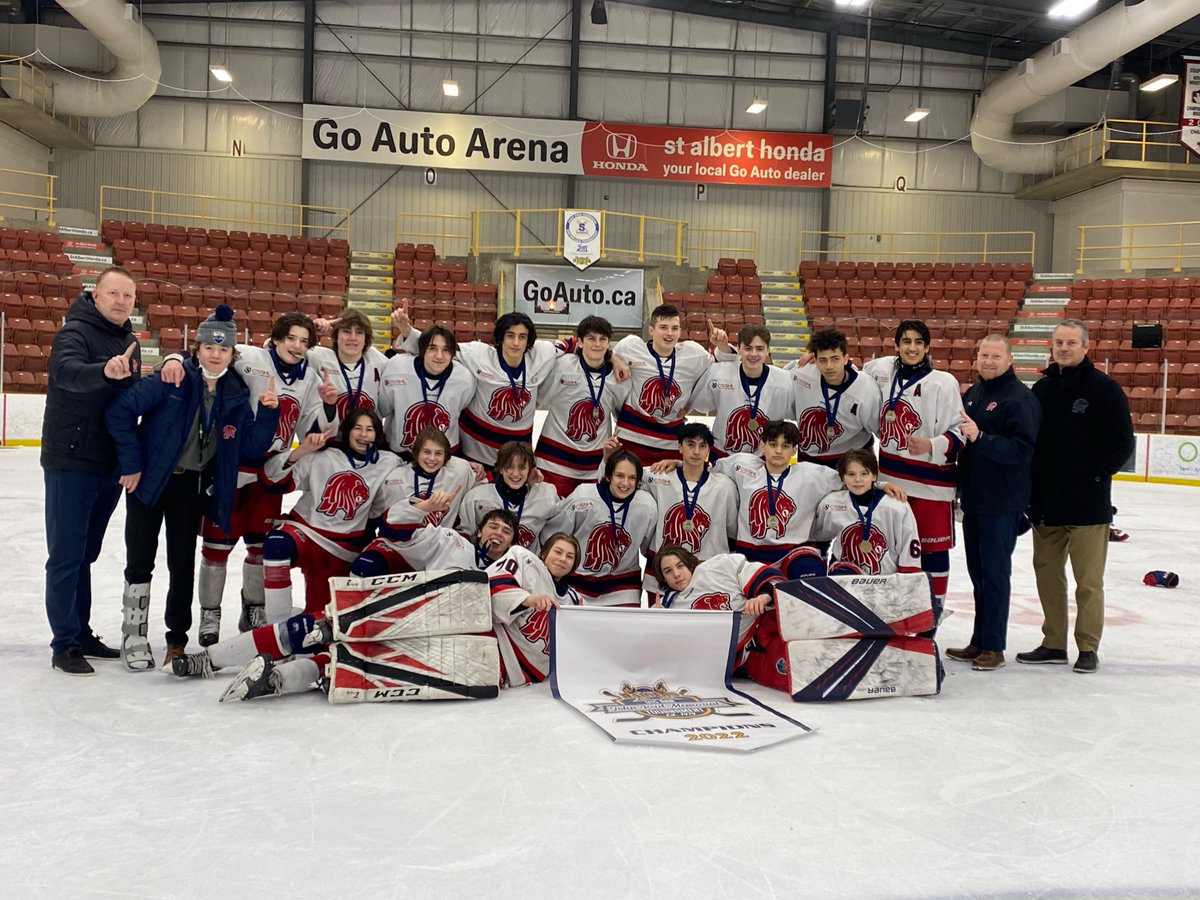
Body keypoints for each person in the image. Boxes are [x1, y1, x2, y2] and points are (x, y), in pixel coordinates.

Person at [105, 305, 280, 670]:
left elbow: (248, 447)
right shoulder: (172, 377)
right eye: (209, 348)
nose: (216, 355)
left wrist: (267, 413)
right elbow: (119, 411)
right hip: (149, 481)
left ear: (233, 355)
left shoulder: (235, 391)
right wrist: (131, 463)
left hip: (190, 487)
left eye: (224, 350)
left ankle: (176, 640)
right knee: (140, 560)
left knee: (182, 564)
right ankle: (134, 634)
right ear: (197, 348)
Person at [162, 311, 324, 637]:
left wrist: (328, 413)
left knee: (260, 547)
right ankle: (210, 616)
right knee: (216, 546)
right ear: (276, 338)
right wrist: (173, 357)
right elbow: (209, 357)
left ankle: (253, 610)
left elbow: (312, 426)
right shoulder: (250, 356)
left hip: (269, 473)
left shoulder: (311, 379)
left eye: (304, 342)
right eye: (291, 338)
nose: (296, 346)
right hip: (229, 467)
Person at [41, 266, 142, 675]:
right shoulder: (74, 333)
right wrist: (104, 371)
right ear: (96, 295)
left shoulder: (129, 340)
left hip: (107, 465)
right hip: (70, 460)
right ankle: (64, 642)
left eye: (128, 296)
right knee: (65, 555)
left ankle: (80, 632)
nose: (121, 301)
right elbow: (66, 373)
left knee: (86, 554)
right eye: (113, 293)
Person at [1019, 319, 1134, 674]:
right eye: (1059, 343)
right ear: (1051, 347)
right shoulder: (1041, 390)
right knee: (1048, 578)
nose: (1064, 348)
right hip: (1046, 507)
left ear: (1086, 347)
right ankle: (1054, 643)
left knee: (1088, 583)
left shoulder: (1104, 389)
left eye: (1071, 343)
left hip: (1088, 507)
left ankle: (1087, 647)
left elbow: (1121, 443)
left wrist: (1095, 475)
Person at [946, 336, 1042, 672]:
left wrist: (981, 437)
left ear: (1009, 358)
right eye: (984, 354)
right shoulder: (973, 393)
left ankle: (994, 646)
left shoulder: (1019, 398)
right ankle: (979, 640)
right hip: (974, 500)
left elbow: (1022, 451)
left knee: (996, 575)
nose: (988, 361)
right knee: (979, 575)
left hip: (1002, 502)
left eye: (995, 355)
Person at [259, 408, 400, 623]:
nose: (363, 435)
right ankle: (274, 626)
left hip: (344, 548)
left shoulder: (389, 462)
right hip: (306, 531)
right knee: (277, 543)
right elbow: (271, 479)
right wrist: (301, 450)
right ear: (347, 431)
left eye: (370, 430)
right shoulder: (323, 456)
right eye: (358, 428)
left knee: (322, 620)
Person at [863, 319, 964, 609]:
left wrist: (932, 445)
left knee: (933, 552)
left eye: (918, 342)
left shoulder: (944, 383)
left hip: (931, 488)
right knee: (894, 549)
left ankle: (933, 612)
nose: (912, 347)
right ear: (896, 345)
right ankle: (896, 613)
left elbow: (960, 432)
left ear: (927, 347)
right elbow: (846, 373)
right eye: (906, 341)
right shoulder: (881, 370)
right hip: (892, 482)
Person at [542, 449, 657, 607]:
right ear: (608, 475)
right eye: (619, 476)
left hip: (622, 583)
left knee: (623, 630)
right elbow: (555, 535)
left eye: (632, 478)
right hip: (577, 580)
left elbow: (647, 546)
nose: (625, 483)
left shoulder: (646, 505)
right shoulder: (584, 496)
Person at [534, 315, 630, 497]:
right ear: (580, 342)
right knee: (551, 516)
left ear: (609, 343)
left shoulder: (619, 378)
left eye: (603, 339)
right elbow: (536, 397)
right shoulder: (562, 366)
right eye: (591, 339)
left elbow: (621, 416)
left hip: (594, 467)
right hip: (554, 462)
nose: (597, 344)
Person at [455, 312, 566, 469]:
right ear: (501, 337)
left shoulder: (542, 354)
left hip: (516, 461)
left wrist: (612, 358)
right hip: (475, 457)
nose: (516, 343)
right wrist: (407, 333)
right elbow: (437, 348)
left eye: (522, 337)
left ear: (528, 341)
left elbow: (574, 343)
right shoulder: (479, 354)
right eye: (510, 336)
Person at [611, 304, 715, 465]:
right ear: (651, 330)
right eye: (663, 327)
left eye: (674, 328)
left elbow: (718, 373)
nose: (669, 333)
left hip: (672, 442)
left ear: (680, 331)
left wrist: (691, 405)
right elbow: (601, 353)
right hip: (631, 437)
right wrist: (613, 358)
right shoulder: (630, 347)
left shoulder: (694, 355)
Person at [639, 422, 737, 593]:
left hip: (707, 574)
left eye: (702, 446)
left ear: (709, 450)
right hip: (664, 573)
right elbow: (622, 481)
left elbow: (732, 532)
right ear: (680, 446)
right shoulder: (657, 478)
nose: (697, 451)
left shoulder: (725, 487)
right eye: (690, 444)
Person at [652, 544, 783, 666]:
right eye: (668, 571)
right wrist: (656, 623)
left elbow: (765, 575)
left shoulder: (717, 567)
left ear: (689, 564)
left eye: (680, 566)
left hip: (763, 631)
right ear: (662, 577)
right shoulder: (666, 606)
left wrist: (762, 596)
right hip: (728, 662)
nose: (676, 574)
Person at [489, 532, 582, 686]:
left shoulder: (575, 600)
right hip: (498, 651)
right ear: (543, 554)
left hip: (534, 676)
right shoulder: (523, 559)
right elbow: (491, 591)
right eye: (558, 552)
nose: (562, 559)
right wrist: (529, 600)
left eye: (569, 556)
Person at [813, 449, 922, 578]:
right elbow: (820, 539)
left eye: (864, 474)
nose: (858, 480)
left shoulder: (896, 506)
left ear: (874, 476)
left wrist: (906, 580)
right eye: (851, 474)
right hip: (844, 577)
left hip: (886, 581)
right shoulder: (831, 503)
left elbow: (909, 546)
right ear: (842, 478)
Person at [691, 324, 794, 458]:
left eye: (760, 349)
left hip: (762, 460)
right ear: (738, 349)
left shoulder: (784, 380)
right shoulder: (720, 372)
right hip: (722, 456)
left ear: (768, 350)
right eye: (748, 348)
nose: (753, 354)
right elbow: (700, 404)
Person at [377, 324, 475, 456]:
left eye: (446, 350)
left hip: (444, 455)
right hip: (401, 454)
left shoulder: (464, 378)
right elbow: (383, 409)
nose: (439, 356)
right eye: (432, 348)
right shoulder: (396, 368)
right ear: (422, 350)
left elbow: (463, 407)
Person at [790, 328, 881, 468]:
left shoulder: (866, 388)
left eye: (835, 359)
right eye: (823, 360)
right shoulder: (801, 372)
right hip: (810, 459)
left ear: (846, 358)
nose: (829, 366)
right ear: (814, 358)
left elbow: (880, 431)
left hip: (854, 459)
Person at [458, 441, 561, 550]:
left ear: (530, 470)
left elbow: (561, 527)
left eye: (522, 468)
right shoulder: (477, 497)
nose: (516, 474)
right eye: (509, 467)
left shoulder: (545, 495)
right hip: (484, 565)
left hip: (525, 565)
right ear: (501, 469)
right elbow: (464, 537)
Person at [308, 309, 389, 433]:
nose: (353, 338)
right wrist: (309, 331)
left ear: (366, 338)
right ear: (335, 335)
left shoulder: (379, 361)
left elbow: (422, 356)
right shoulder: (318, 357)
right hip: (330, 441)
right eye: (346, 331)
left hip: (366, 441)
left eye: (359, 332)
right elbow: (277, 347)